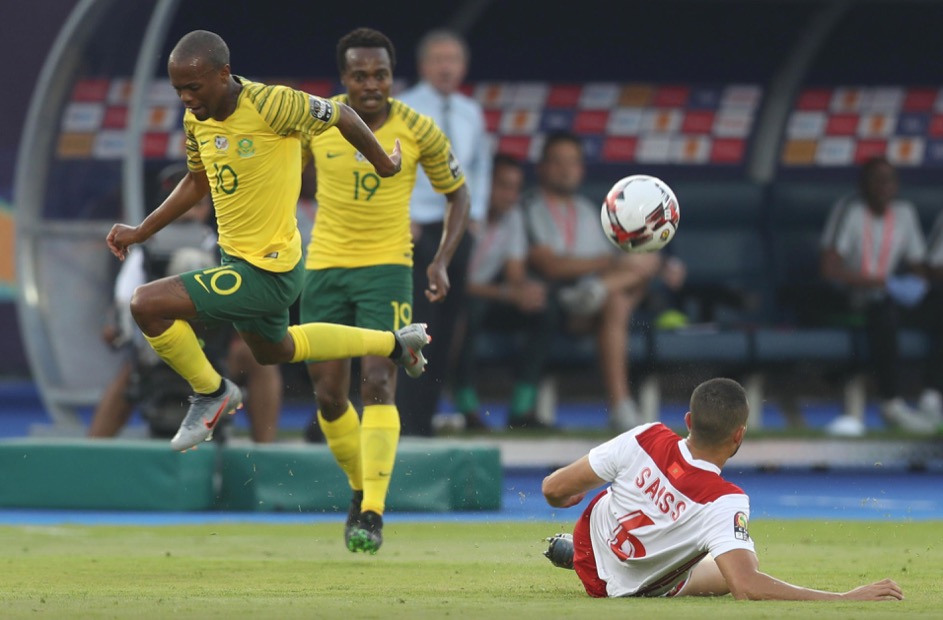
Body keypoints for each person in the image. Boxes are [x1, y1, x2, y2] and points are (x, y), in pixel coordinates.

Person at [105, 30, 430, 455]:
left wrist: (384, 164)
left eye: (194, 86)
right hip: (238, 263)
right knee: (277, 350)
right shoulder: (196, 118)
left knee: (145, 304)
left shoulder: (272, 104)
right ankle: (396, 343)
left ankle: (211, 392)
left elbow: (343, 115)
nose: (185, 97)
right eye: (178, 89)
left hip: (268, 271)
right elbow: (197, 181)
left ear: (223, 73)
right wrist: (141, 231)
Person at [298, 28, 469, 553]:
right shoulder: (317, 120)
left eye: (381, 75)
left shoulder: (418, 128)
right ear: (344, 78)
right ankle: (360, 487)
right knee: (329, 395)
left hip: (388, 269)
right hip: (324, 267)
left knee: (377, 381)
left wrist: (441, 260)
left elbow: (458, 195)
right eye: (360, 75)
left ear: (393, 77)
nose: (371, 84)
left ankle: (371, 510)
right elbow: (282, 176)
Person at [541, 377, 904, 601]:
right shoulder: (725, 500)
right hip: (624, 589)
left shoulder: (647, 435)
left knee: (724, 559)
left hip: (589, 544)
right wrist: (843, 598)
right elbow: (747, 587)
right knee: (737, 567)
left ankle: (576, 555)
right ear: (739, 435)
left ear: (688, 420)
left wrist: (565, 496)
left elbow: (553, 489)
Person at [90, 166, 283, 441]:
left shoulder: (224, 247)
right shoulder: (145, 251)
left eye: (197, 204)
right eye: (180, 203)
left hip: (213, 355)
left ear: (208, 208)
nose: (188, 212)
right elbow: (120, 312)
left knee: (259, 360)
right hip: (161, 357)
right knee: (130, 373)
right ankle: (91, 453)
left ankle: (265, 453)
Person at [522, 131, 684, 431]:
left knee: (633, 279)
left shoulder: (587, 209)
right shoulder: (529, 206)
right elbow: (549, 266)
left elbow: (617, 259)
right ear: (542, 167)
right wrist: (611, 264)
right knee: (625, 286)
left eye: (573, 162)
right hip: (553, 303)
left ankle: (599, 290)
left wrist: (662, 267)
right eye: (558, 161)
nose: (566, 169)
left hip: (595, 300)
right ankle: (621, 406)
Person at [396, 29, 490, 436]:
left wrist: (476, 216)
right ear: (423, 66)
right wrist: (402, 216)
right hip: (417, 228)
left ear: (464, 66)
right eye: (439, 59)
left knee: (450, 328)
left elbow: (480, 167)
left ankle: (425, 420)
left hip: (458, 226)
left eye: (453, 59)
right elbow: (393, 165)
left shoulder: (471, 111)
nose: (446, 67)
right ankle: (404, 419)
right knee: (417, 325)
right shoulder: (404, 108)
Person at [820, 156, 936, 434]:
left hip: (890, 296)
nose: (885, 186)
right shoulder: (850, 209)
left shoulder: (904, 212)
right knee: (885, 312)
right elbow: (829, 270)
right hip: (854, 297)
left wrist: (913, 284)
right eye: (877, 180)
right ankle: (891, 402)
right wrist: (877, 282)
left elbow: (919, 266)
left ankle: (931, 398)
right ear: (863, 185)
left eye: (890, 180)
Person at [451, 153, 554, 430]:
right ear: (485, 183)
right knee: (468, 310)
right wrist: (508, 293)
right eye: (503, 186)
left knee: (544, 310)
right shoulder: (460, 210)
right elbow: (451, 282)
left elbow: (514, 274)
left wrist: (526, 291)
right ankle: (467, 410)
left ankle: (522, 410)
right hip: (448, 300)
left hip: (485, 298)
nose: (511, 195)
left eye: (516, 188)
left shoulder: (513, 216)